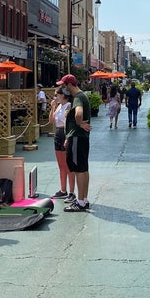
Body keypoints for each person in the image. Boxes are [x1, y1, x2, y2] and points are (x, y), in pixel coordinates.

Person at [58, 74, 92, 212]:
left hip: (77, 137)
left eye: (64, 85)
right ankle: (83, 199)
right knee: (83, 169)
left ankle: (80, 201)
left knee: (79, 170)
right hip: (80, 137)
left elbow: (78, 113)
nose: (63, 88)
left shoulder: (78, 98)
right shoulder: (81, 96)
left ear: (69, 85)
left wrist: (79, 123)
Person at [48, 88, 75, 199]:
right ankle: (63, 189)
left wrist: (67, 138)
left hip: (65, 133)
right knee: (61, 165)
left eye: (57, 95)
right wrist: (52, 107)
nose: (55, 97)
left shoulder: (68, 106)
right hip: (58, 133)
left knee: (68, 165)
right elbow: (51, 121)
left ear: (63, 95)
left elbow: (69, 121)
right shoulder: (59, 106)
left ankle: (71, 192)